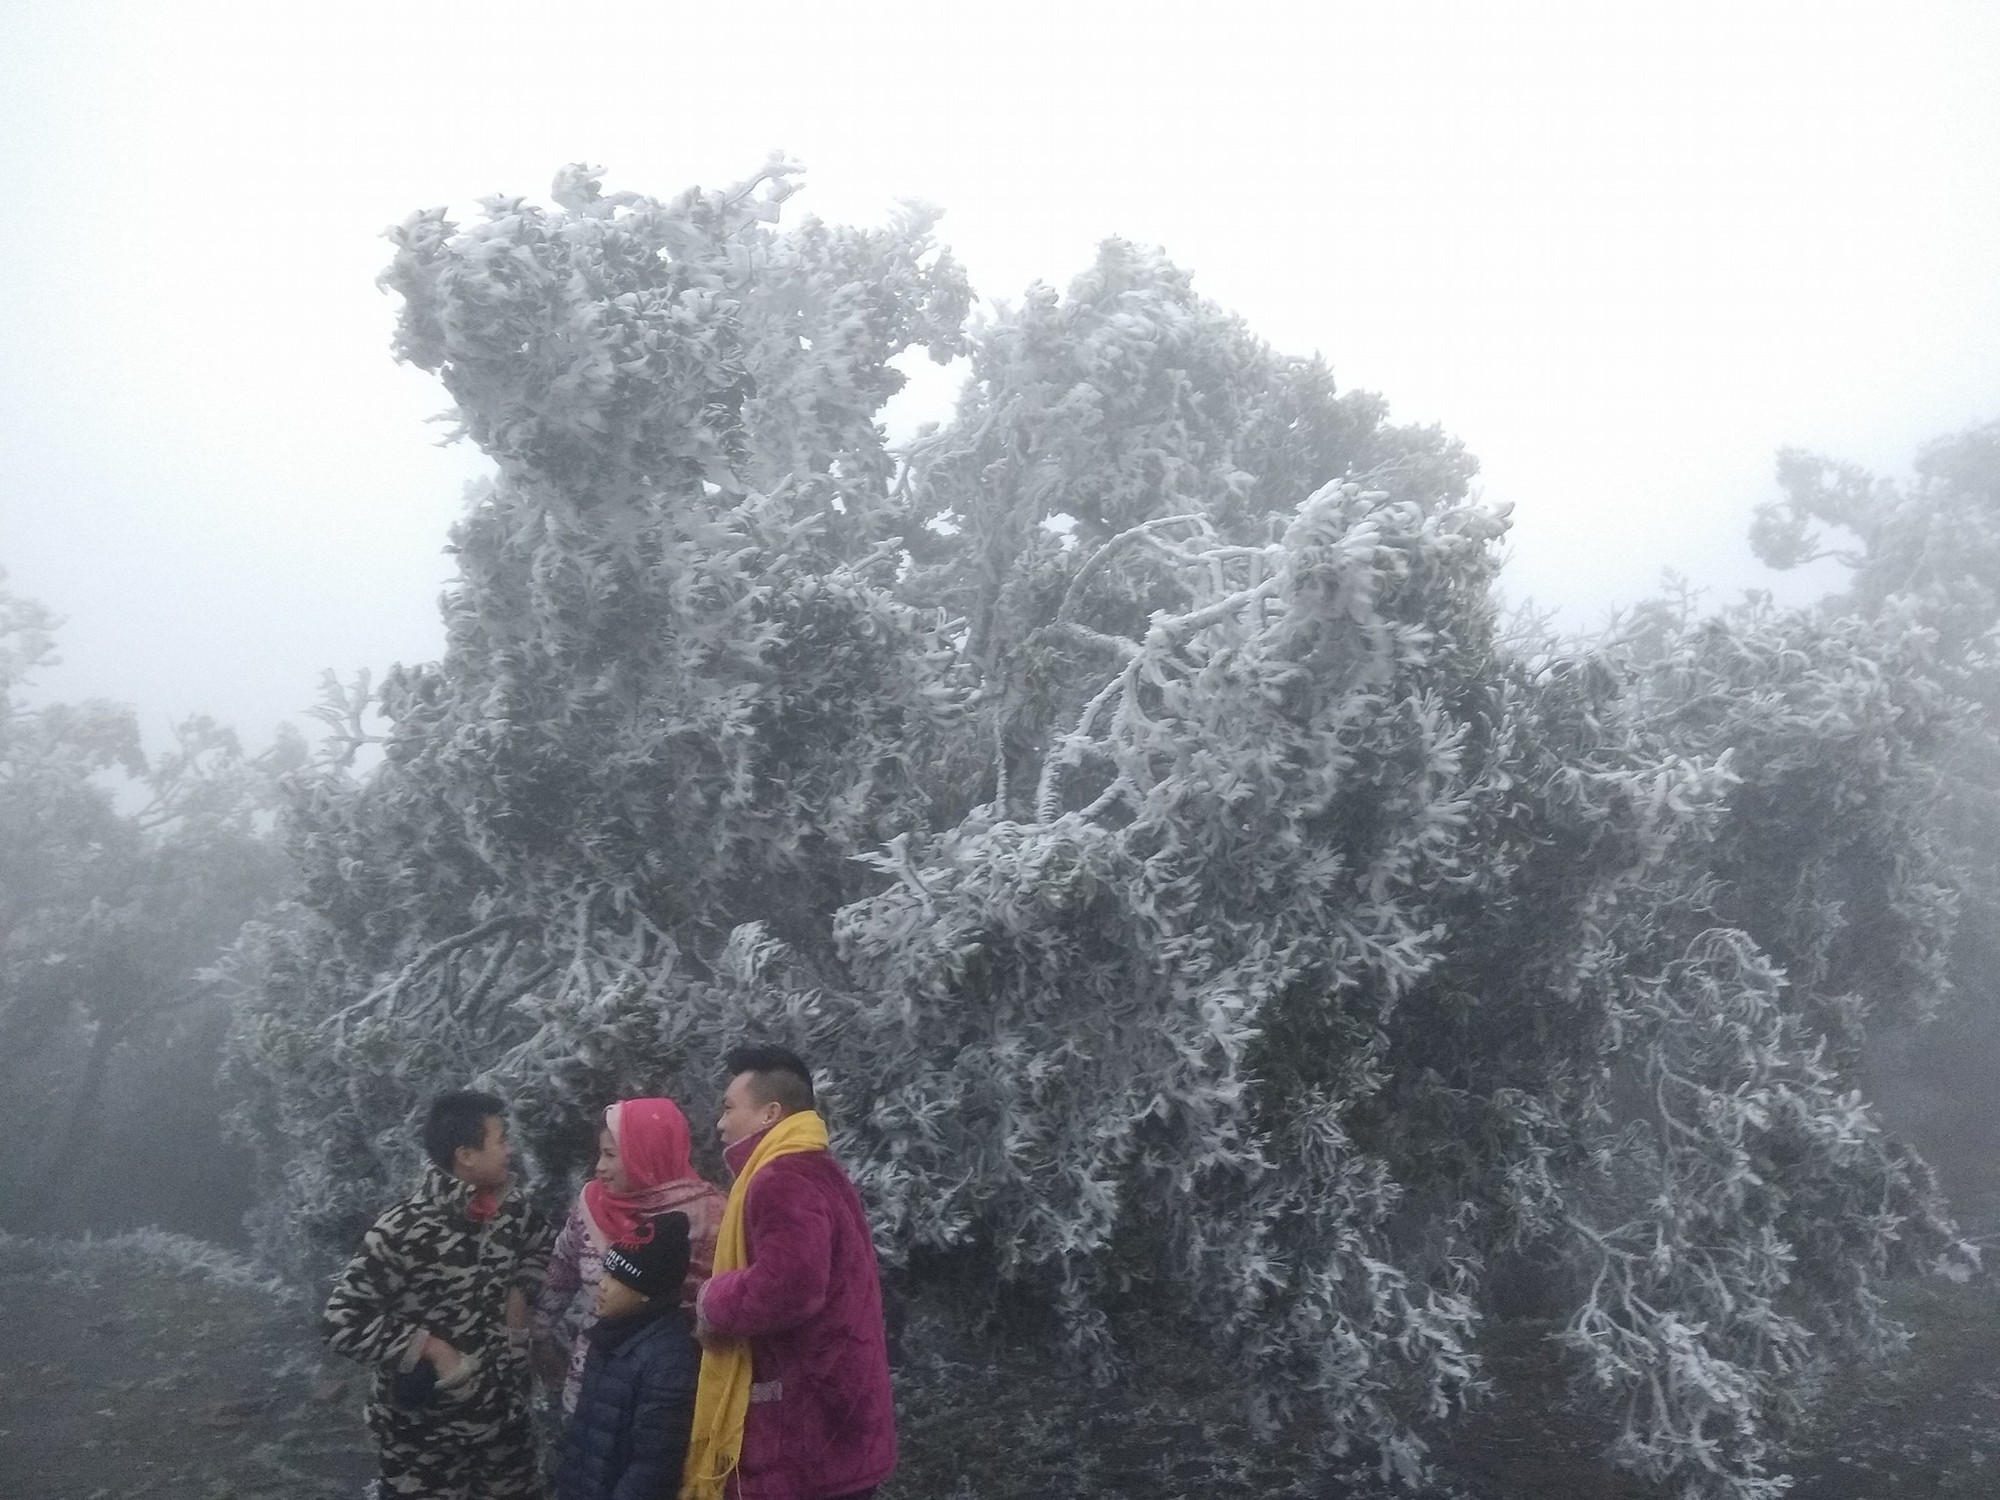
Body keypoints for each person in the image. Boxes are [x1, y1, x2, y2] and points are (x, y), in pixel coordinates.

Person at [683, 1045, 896, 1500]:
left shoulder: (782, 1178)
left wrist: (712, 1300)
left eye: (728, 1107)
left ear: (770, 1114)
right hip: (838, 1424)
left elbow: (790, 1286)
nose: (719, 1123)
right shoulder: (817, 1168)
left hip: (806, 1436)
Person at [323, 1088, 553, 1500]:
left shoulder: (512, 1211)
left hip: (504, 1425)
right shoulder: (402, 1231)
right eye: (501, 1140)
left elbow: (541, 1246)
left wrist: (519, 1296)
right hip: (424, 1441)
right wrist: (432, 1349)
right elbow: (342, 1320)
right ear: (466, 1154)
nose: (510, 1151)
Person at [533, 1097, 726, 1414]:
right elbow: (561, 1271)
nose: (599, 1167)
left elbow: (719, 1308)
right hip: (593, 1384)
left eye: (610, 1155)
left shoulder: (710, 1217)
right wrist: (537, 1337)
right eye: (600, 1154)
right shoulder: (591, 1206)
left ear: (645, 1154)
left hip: (674, 1394)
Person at [555, 1210, 703, 1500]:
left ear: (647, 1292)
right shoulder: (610, 1334)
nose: (603, 1283)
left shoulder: (669, 1361)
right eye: (607, 1272)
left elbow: (653, 1469)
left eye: (618, 1278)